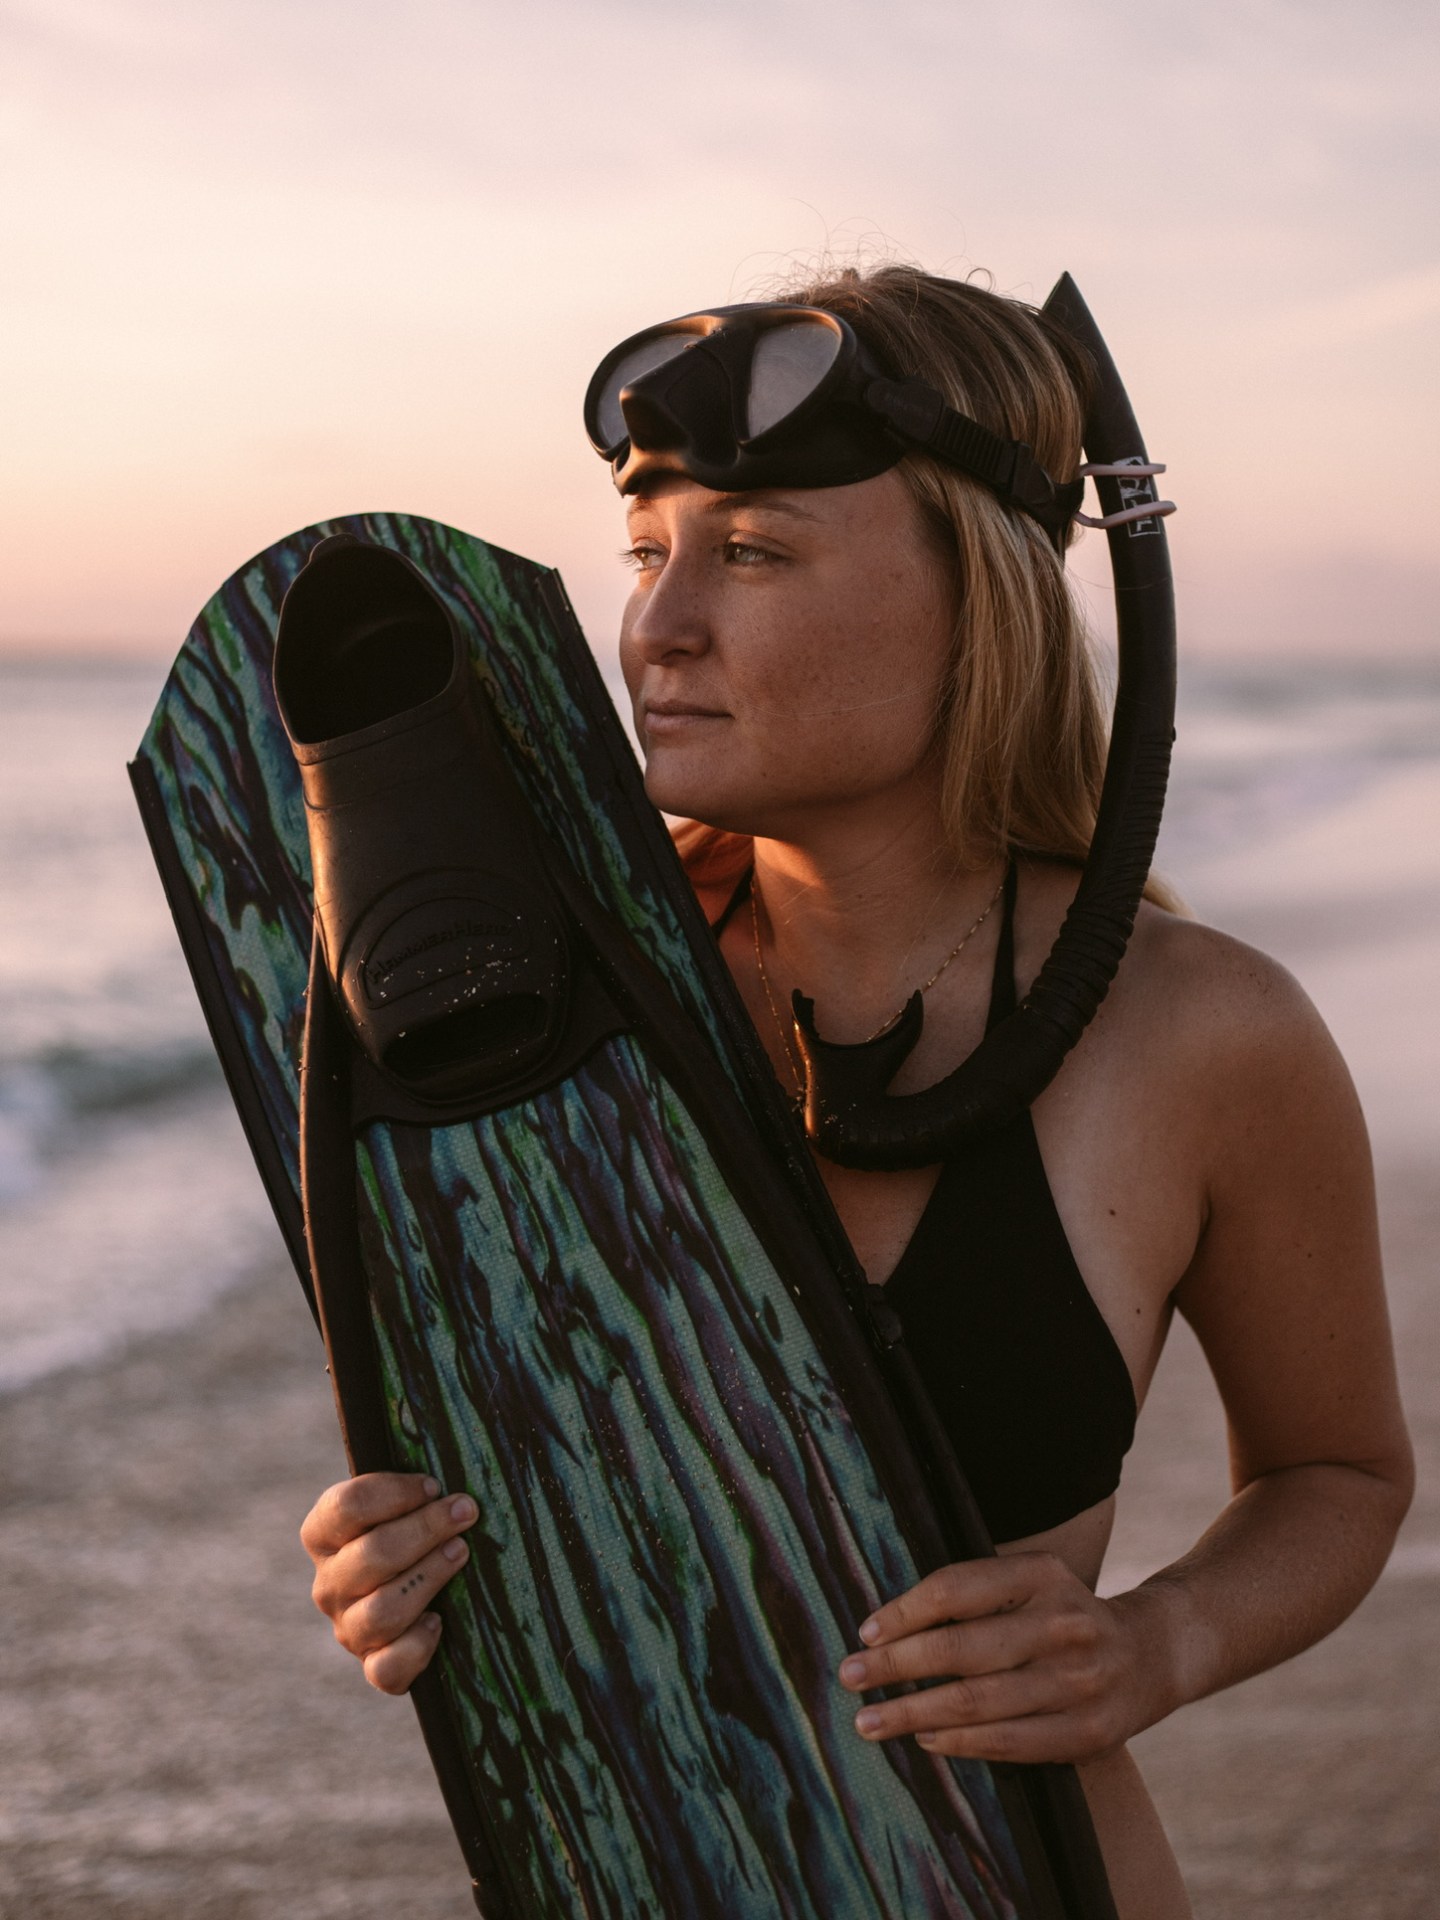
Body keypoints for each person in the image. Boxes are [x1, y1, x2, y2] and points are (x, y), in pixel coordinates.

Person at [298, 264, 1412, 1917]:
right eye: (646, 551)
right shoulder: (513, 1011)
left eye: (750, 551)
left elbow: (1340, 1476)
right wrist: (387, 1562)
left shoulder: (1202, 1038)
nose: (657, 626)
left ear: (982, 595)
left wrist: (1153, 1642)